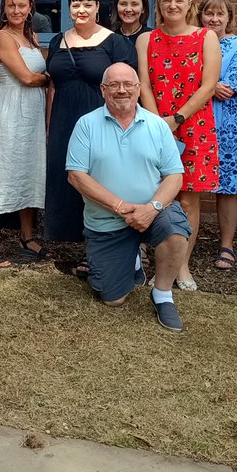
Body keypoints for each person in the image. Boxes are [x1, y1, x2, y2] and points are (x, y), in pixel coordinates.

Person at [66, 62, 190, 332]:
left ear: (138, 88)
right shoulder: (86, 124)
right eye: (113, 85)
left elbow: (174, 176)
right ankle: (130, 259)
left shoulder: (157, 126)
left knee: (175, 229)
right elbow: (75, 176)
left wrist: (152, 208)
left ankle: (162, 295)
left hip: (152, 212)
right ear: (103, 90)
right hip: (107, 220)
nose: (121, 90)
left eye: (127, 84)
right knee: (113, 299)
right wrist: (119, 206)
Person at [45, 0, 137, 277]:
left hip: (102, 122)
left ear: (98, 7)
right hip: (64, 120)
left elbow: (128, 89)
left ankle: (114, 250)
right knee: (71, 181)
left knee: (102, 180)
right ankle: (83, 246)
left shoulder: (114, 43)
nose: (81, 10)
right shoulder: (58, 40)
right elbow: (51, 87)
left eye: (87, 4)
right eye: (75, 4)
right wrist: (49, 126)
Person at [136, 0, 219, 291]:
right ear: (159, 5)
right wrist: (160, 124)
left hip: (194, 126)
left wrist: (177, 119)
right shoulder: (146, 39)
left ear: (189, 5)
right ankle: (157, 263)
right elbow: (143, 84)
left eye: (179, 0)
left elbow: (208, 86)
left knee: (187, 199)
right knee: (154, 194)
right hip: (155, 124)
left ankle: (181, 265)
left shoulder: (206, 37)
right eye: (167, 0)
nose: (173, 5)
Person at [0, 0, 48, 267]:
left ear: (30, 8)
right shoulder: (2, 37)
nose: (16, 10)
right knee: (0, 173)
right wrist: (51, 78)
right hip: (8, 113)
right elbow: (27, 78)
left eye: (22, 5)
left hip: (32, 114)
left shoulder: (31, 36)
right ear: (4, 9)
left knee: (29, 171)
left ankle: (27, 236)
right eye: (11, 5)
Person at [198, 0, 237, 270]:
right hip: (196, 122)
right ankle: (183, 244)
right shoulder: (193, 41)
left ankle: (226, 247)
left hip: (228, 127)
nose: (214, 19)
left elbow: (228, 89)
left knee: (227, 187)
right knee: (188, 185)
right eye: (209, 13)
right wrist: (209, 85)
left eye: (220, 14)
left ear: (229, 18)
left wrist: (204, 84)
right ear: (200, 16)